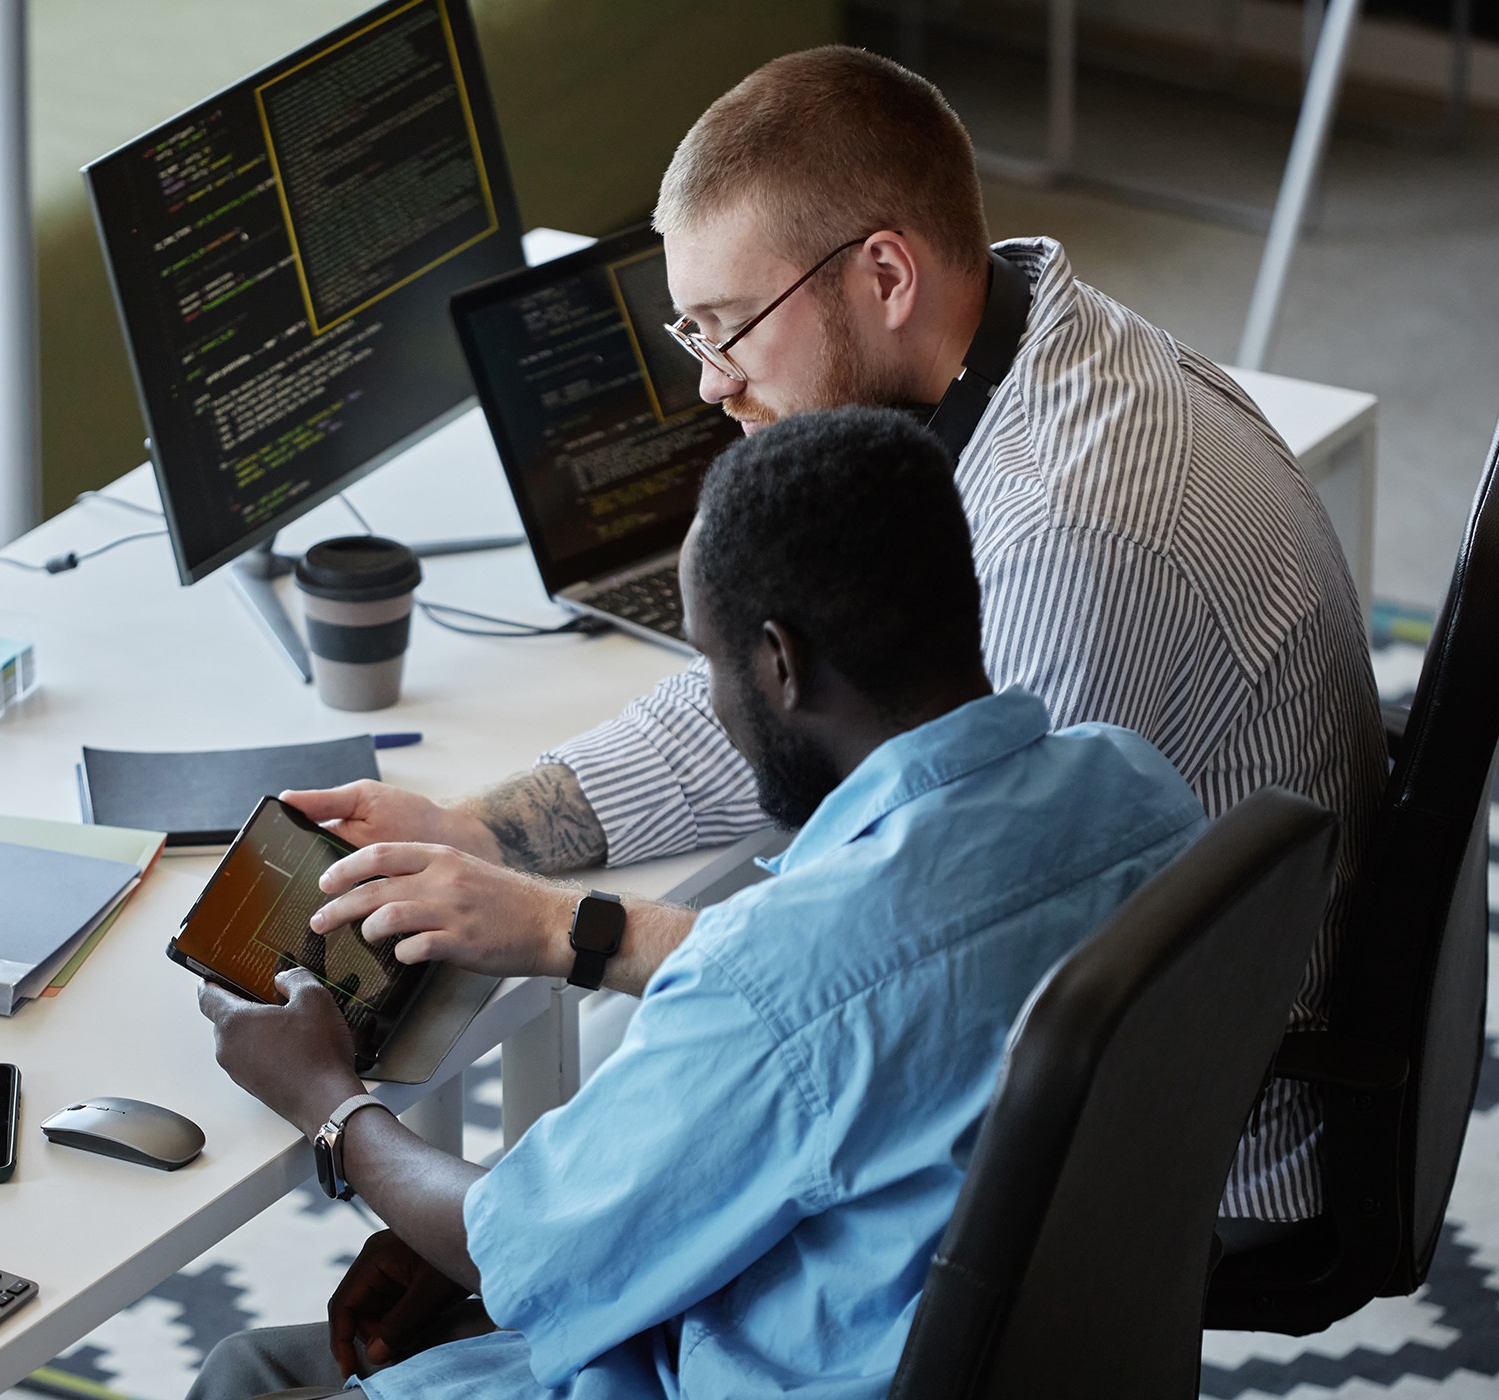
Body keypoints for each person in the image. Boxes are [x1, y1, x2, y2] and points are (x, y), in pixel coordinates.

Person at [284, 46, 1385, 1225]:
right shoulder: (1026, 350)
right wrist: (480, 826)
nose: (712, 385)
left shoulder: (1067, 531)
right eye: (689, 333)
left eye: (730, 326)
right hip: (1135, 1024)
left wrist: (561, 927)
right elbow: (776, 701)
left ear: (887, 275)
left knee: (618, 1207)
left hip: (1176, 1144)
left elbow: (894, 956)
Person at [193, 408, 1208, 1399]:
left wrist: (328, 1102)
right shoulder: (1143, 793)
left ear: (779, 660)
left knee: (245, 1373)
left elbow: (528, 1250)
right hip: (1012, 1347)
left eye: (708, 659)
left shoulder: (776, 982)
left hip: (767, 1358)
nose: (714, 698)